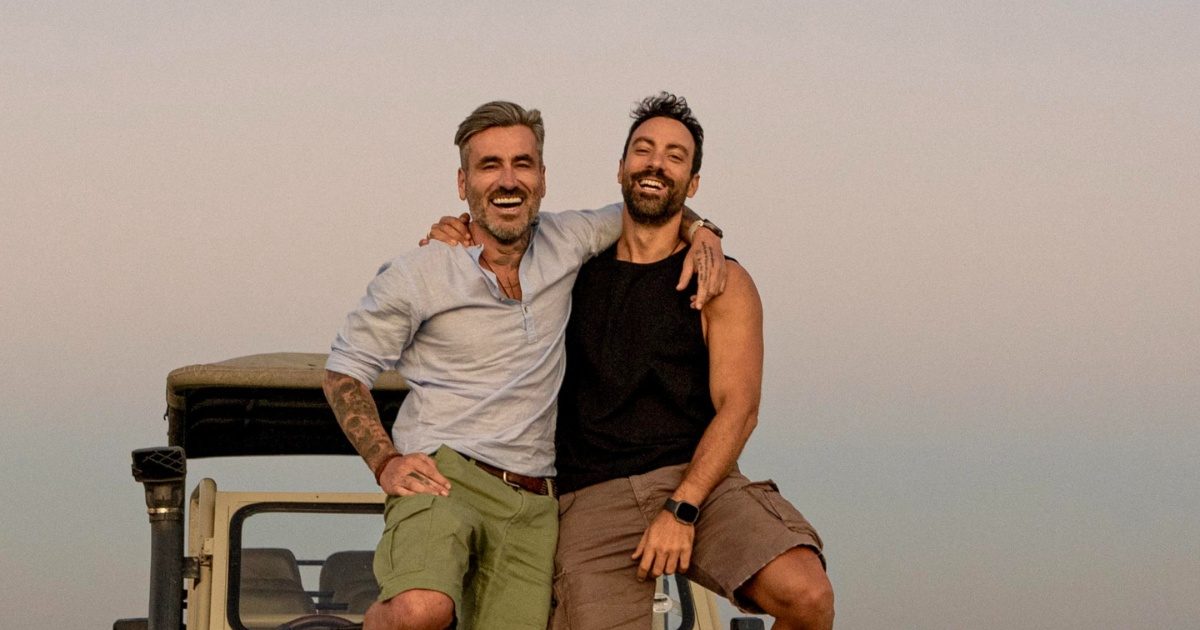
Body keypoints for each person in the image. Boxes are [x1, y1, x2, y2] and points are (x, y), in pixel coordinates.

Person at [322, 100, 724, 630]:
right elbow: (344, 371)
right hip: (443, 474)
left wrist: (704, 230)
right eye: (489, 166)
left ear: (543, 178)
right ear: (462, 183)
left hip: (534, 500)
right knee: (422, 608)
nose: (508, 180)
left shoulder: (570, 238)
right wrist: (385, 461)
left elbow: (650, 200)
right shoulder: (419, 272)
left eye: (522, 164)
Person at [549, 93, 836, 629]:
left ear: (693, 183)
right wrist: (455, 229)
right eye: (643, 150)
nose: (656, 163)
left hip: (698, 480)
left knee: (807, 594)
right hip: (591, 496)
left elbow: (740, 409)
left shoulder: (722, 280)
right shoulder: (569, 271)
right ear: (621, 168)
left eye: (674, 156)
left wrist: (682, 507)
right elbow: (501, 240)